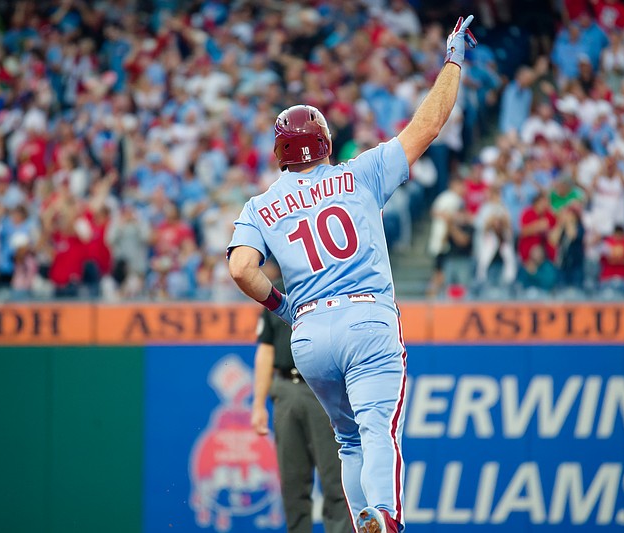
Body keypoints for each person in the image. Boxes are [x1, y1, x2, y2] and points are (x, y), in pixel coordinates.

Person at [227, 15, 477, 533]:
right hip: (365, 317)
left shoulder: (261, 204)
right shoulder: (358, 173)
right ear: (322, 141)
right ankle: (382, 518)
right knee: (380, 425)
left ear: (280, 153)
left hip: (310, 333)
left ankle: (367, 517)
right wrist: (452, 59)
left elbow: (240, 269)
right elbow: (428, 124)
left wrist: (281, 306)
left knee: (349, 440)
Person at [251, 262, 351, 533]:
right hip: (285, 386)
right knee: (293, 481)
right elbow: (266, 350)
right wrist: (258, 403)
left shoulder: (332, 291)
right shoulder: (275, 295)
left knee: (335, 480)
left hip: (324, 388)